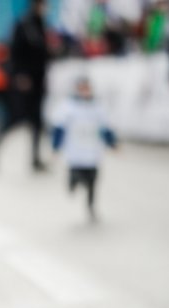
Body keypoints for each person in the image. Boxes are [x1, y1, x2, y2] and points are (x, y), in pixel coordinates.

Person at [0, 0, 52, 171]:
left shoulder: (41, 25)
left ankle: (35, 159)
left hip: (38, 82)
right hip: (24, 83)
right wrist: (19, 76)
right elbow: (14, 54)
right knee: (16, 119)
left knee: (37, 122)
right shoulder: (23, 25)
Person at [51, 76, 117, 222]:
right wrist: (56, 146)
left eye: (87, 88)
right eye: (82, 88)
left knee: (93, 182)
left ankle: (91, 207)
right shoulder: (68, 107)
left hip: (92, 152)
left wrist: (112, 143)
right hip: (75, 152)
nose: (85, 91)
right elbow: (59, 128)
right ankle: (72, 183)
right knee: (78, 176)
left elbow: (105, 127)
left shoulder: (98, 107)